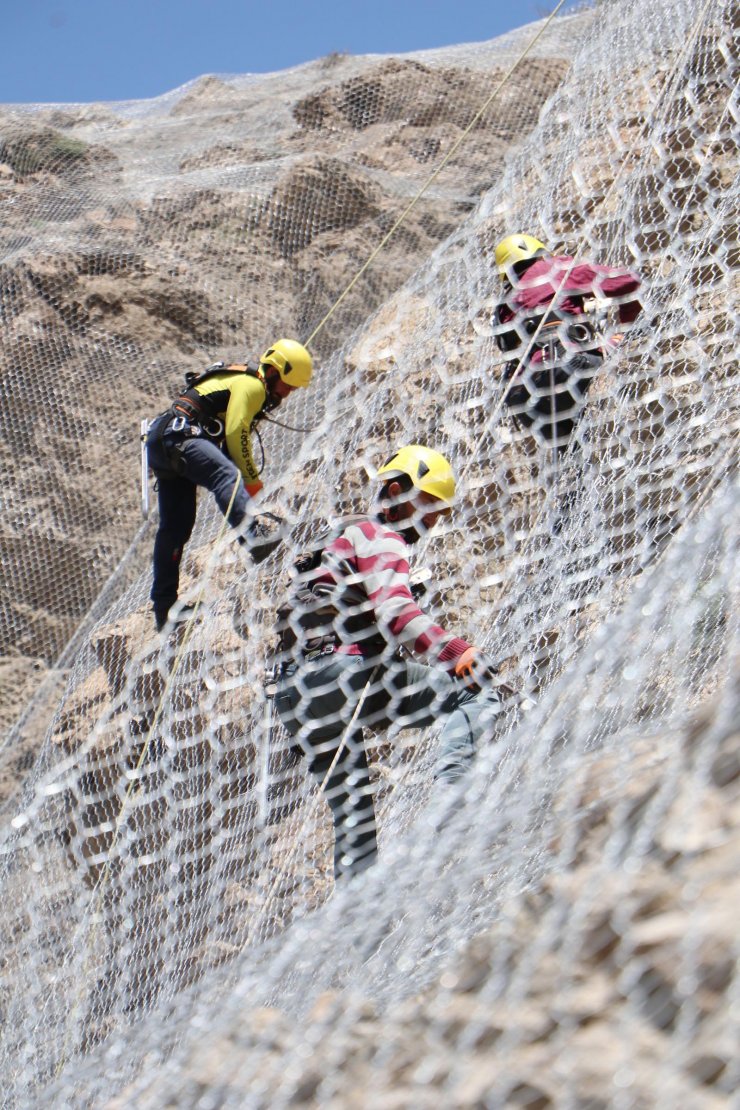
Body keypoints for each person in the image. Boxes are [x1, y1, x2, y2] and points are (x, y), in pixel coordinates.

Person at [274, 445, 502, 883]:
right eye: (430, 502)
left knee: (354, 820)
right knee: (475, 695)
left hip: (298, 696)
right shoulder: (380, 536)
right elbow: (396, 613)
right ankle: (449, 811)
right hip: (347, 672)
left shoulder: (338, 543)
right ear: (396, 491)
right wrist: (458, 652)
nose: (436, 518)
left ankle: (352, 930)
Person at [146, 338, 313, 632]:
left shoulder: (244, 384)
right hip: (182, 436)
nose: (287, 395)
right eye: (288, 385)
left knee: (176, 528)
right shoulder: (252, 386)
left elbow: (225, 445)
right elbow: (236, 434)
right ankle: (254, 538)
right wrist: (252, 481)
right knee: (227, 476)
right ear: (274, 372)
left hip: (165, 441)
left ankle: (164, 610)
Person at [492, 234, 642, 453]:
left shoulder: (503, 307)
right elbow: (627, 281)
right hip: (565, 364)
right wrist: (623, 329)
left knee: (572, 453)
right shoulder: (551, 270)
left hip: (524, 399)